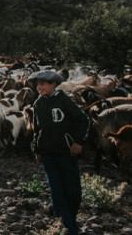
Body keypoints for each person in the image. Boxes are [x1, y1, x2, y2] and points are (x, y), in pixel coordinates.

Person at [29, 70, 91, 235]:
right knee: (56, 190)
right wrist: (37, 149)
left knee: (73, 191)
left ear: (53, 84)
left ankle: (70, 219)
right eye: (37, 84)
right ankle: (70, 226)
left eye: (42, 84)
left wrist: (78, 142)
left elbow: (83, 120)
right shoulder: (38, 104)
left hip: (66, 152)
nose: (39, 87)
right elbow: (37, 129)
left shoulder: (64, 100)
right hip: (49, 154)